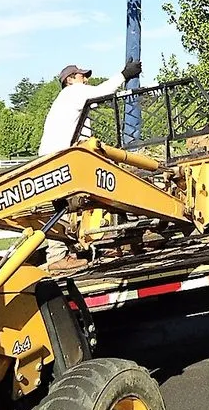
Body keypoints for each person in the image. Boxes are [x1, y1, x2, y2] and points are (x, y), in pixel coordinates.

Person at [39, 58, 141, 271]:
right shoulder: (73, 93)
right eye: (81, 76)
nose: (85, 79)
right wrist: (125, 74)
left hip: (55, 157)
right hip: (64, 157)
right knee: (111, 187)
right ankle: (126, 237)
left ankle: (119, 239)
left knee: (63, 205)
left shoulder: (65, 99)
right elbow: (103, 91)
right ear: (69, 80)